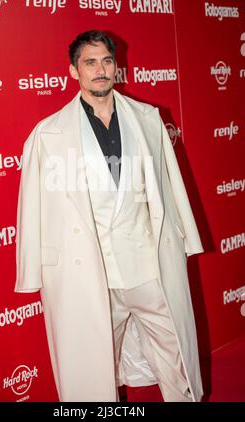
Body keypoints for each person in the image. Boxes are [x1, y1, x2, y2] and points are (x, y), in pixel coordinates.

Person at [15, 30, 204, 402]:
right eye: (90, 62)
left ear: (116, 66)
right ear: (74, 71)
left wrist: (186, 239)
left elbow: (170, 186)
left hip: (148, 266)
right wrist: (31, 273)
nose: (100, 70)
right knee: (93, 374)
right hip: (88, 275)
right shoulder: (47, 134)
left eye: (106, 61)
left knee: (177, 356)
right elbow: (31, 208)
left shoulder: (148, 119)